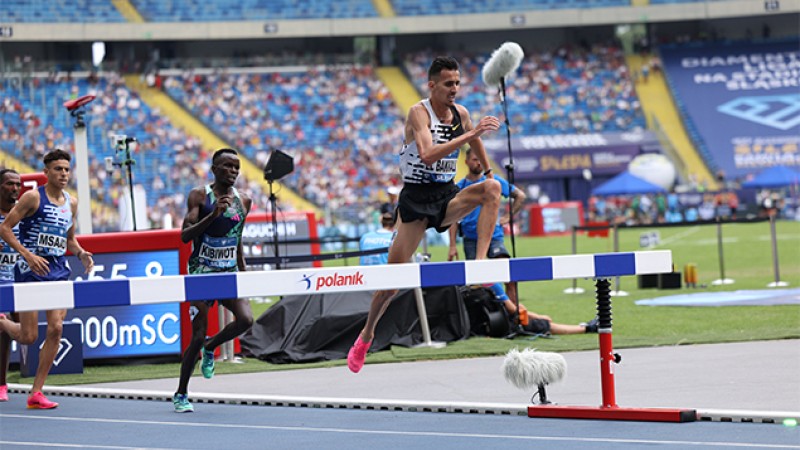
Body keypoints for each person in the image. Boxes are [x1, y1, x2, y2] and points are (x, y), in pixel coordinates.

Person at [347, 56, 502, 373]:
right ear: (432, 85)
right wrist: (470, 137)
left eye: (458, 83)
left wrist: (487, 170)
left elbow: (475, 143)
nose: (455, 89)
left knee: (493, 189)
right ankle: (367, 334)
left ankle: (480, 264)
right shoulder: (419, 112)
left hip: (445, 196)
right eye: (448, 84)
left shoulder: (461, 114)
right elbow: (429, 155)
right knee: (391, 283)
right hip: (415, 201)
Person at [0, 150, 95, 409]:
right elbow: (5, 228)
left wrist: (81, 252)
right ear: (47, 172)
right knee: (29, 336)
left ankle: (36, 392)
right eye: (58, 169)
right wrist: (27, 255)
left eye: (66, 169)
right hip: (31, 270)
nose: (63, 174)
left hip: (58, 270)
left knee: (56, 328)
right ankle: (2, 324)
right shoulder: (32, 198)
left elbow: (69, 238)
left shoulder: (71, 203)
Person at [173, 148, 253, 413]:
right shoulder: (199, 196)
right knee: (195, 336)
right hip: (201, 274)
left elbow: (237, 237)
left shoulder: (245, 200)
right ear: (214, 169)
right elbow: (185, 236)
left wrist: (243, 271)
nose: (232, 171)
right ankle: (181, 393)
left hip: (228, 272)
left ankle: (212, 346)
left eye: (236, 168)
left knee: (245, 320)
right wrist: (213, 216)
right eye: (227, 166)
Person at [0, 168, 21, 402]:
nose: (15, 188)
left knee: (27, 333)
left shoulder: (22, 214)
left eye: (18, 184)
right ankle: (2, 384)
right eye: (9, 184)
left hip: (19, 281)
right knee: (3, 337)